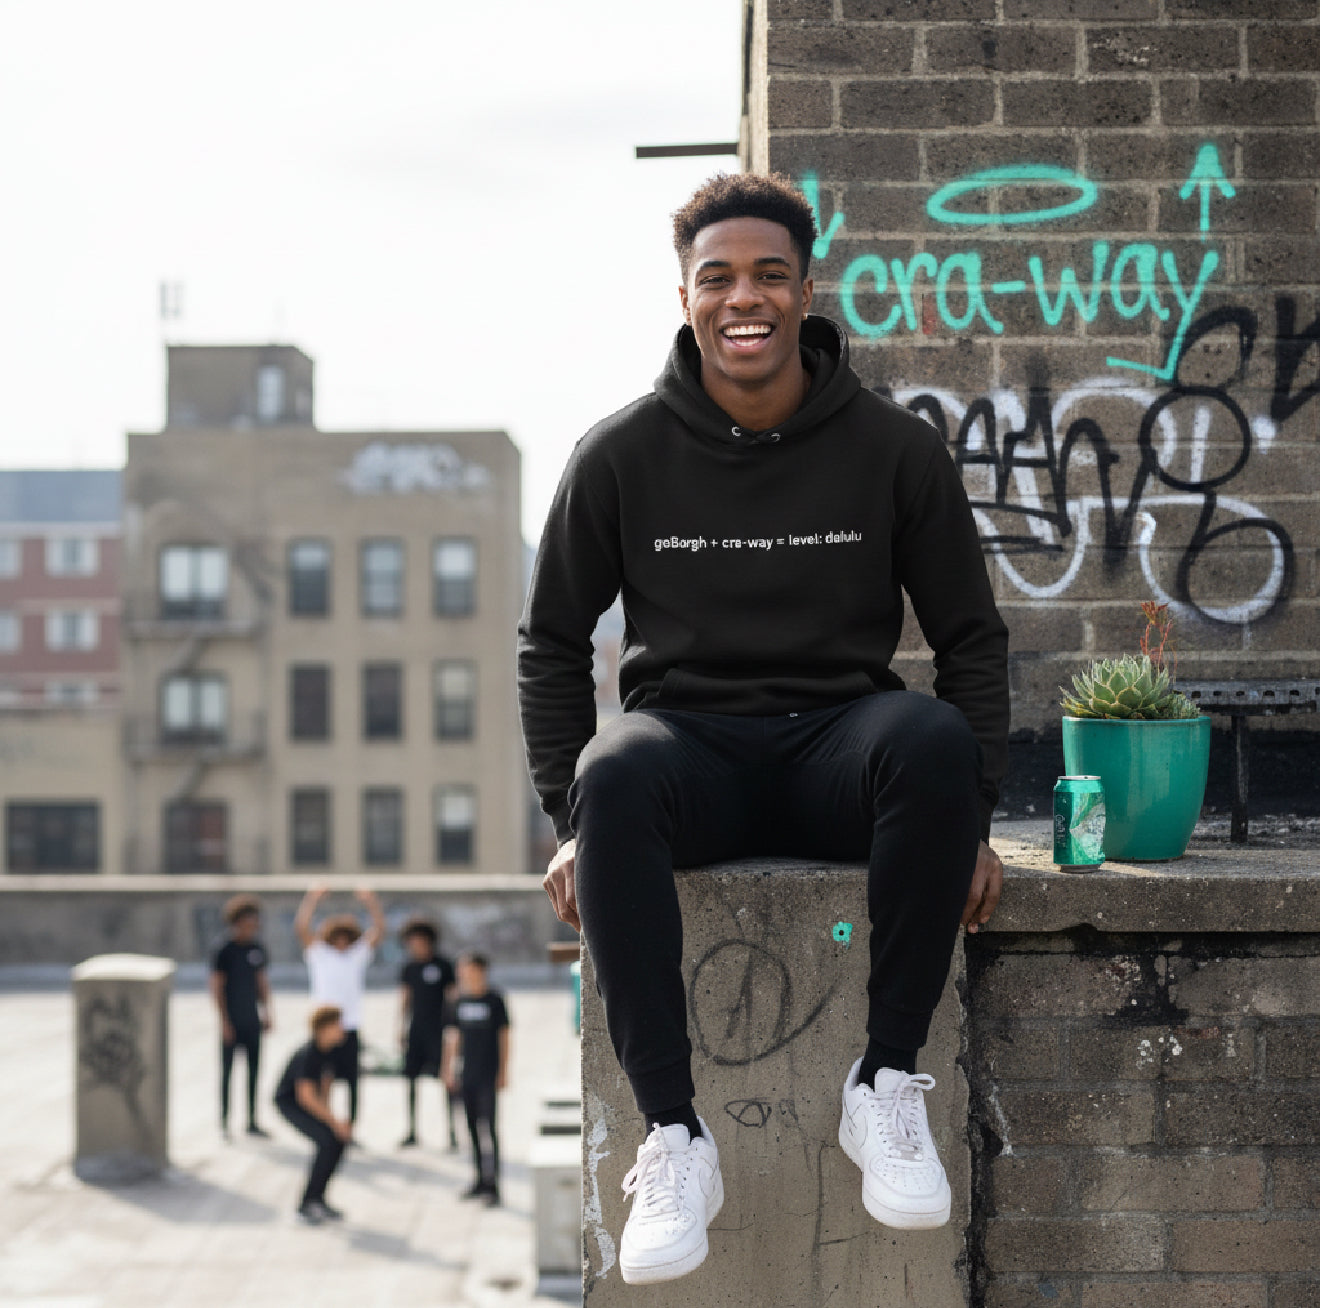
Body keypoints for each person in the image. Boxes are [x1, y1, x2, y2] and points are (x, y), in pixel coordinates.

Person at [517, 171, 1010, 1284]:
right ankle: (676, 1138)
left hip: (842, 746)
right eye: (719, 277)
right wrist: (570, 817)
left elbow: (972, 643)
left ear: (804, 288)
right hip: (690, 752)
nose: (746, 298)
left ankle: (883, 1087)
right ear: (685, 294)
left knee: (925, 735)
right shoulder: (622, 452)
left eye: (769, 275)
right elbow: (550, 641)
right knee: (618, 768)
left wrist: (967, 819)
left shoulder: (892, 448)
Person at [294, 884, 386, 1131]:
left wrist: (371, 902)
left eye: (347, 939)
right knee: (323, 1078)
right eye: (338, 939)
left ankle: (351, 1125)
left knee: (353, 1079)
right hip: (324, 1026)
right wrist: (312, 899)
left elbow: (378, 931)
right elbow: (302, 929)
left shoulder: (356, 956)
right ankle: (326, 1121)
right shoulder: (320, 954)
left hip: (350, 1025)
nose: (342, 944)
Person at [273, 1003, 352, 1224]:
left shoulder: (329, 1052)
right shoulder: (309, 1054)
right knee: (326, 1142)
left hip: (309, 1102)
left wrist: (335, 1123)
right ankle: (306, 1204)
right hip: (291, 1104)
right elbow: (305, 1096)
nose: (342, 1029)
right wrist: (334, 1124)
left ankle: (318, 1199)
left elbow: (325, 1091)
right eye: (338, 1025)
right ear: (324, 1028)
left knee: (336, 1142)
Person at [441, 952, 510, 1206]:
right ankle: (479, 1179)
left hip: (488, 1076)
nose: (464, 974)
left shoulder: (495, 1000)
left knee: (489, 1131)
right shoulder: (457, 1000)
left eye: (468, 969)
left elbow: (504, 1036)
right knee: (470, 1129)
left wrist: (504, 1071)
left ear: (481, 970)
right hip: (465, 1075)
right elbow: (452, 1036)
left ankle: (494, 1185)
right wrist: (446, 1069)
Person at [209, 893, 273, 1139]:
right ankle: (225, 1119)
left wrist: (268, 1011)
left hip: (252, 1018)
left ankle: (252, 1119)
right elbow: (216, 986)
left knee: (254, 1070)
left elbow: (262, 982)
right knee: (227, 1072)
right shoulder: (224, 950)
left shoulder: (257, 948)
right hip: (231, 1019)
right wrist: (223, 1020)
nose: (251, 926)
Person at [397, 916, 458, 1150]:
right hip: (416, 1029)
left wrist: (453, 1027)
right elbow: (405, 998)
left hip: (439, 1030)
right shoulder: (409, 967)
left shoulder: (443, 965)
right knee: (411, 1080)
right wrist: (400, 1027)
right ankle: (412, 1130)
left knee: (446, 1080)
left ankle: (451, 1132)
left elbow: (452, 997)